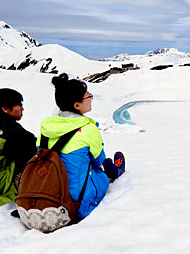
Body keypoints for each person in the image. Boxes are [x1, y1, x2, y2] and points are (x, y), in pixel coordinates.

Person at [38, 73, 125, 219]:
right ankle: (117, 169)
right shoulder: (88, 129)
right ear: (77, 105)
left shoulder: (46, 128)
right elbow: (98, 161)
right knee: (102, 171)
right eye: (88, 96)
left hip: (48, 194)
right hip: (77, 203)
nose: (91, 98)